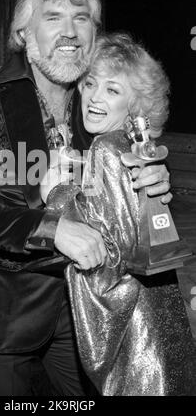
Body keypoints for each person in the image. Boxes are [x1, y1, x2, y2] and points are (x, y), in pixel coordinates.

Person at [0, 0, 172, 396]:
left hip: (84, 308)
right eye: (53, 17)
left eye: (81, 18)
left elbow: (130, 150)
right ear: (24, 33)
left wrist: (153, 177)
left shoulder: (94, 101)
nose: (70, 32)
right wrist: (52, 228)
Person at [42, 32, 196, 395]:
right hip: (162, 327)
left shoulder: (106, 150)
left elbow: (112, 256)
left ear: (136, 107)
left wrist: (57, 194)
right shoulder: (135, 150)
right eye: (90, 83)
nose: (94, 96)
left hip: (139, 341)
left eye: (112, 90)